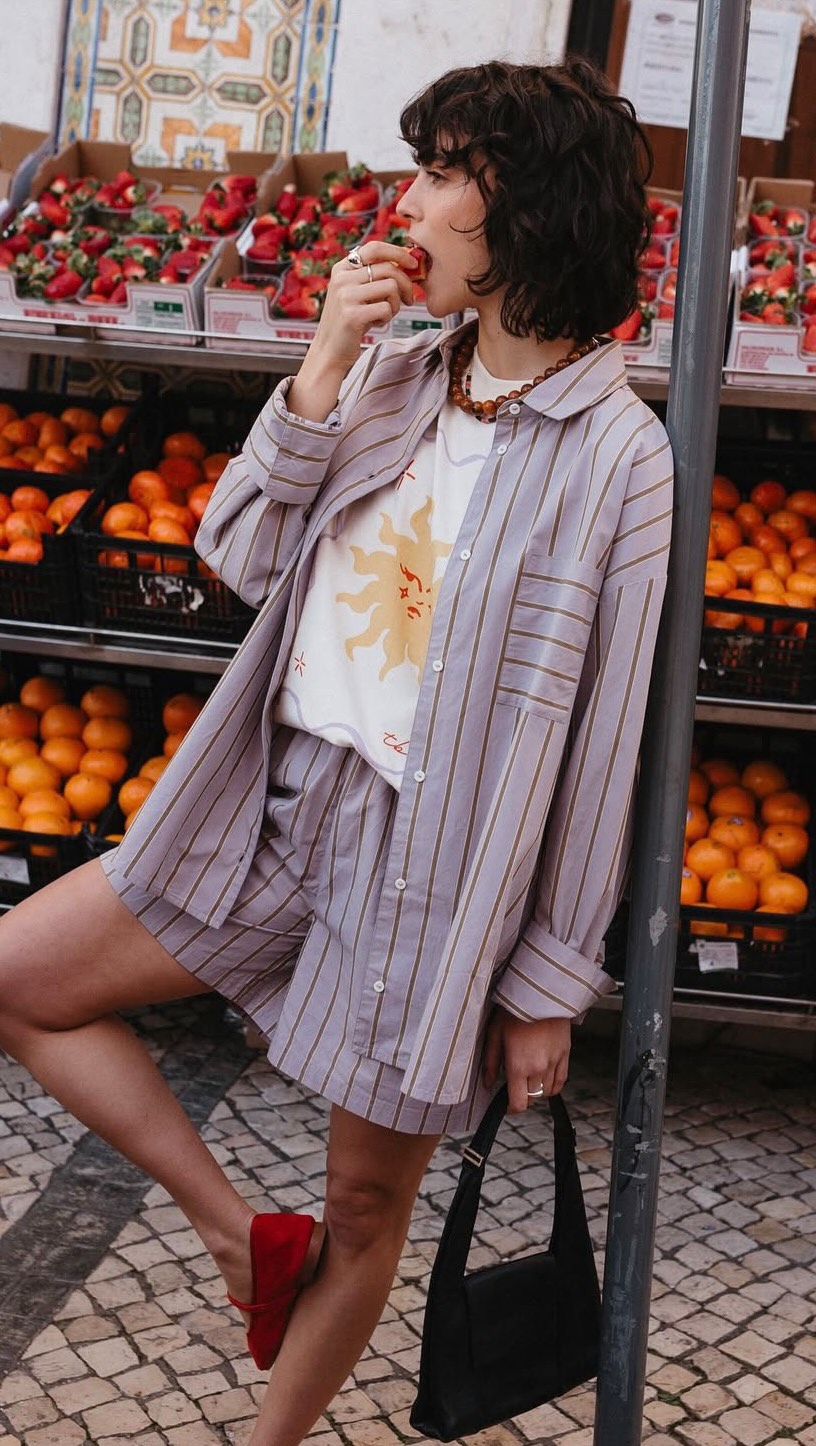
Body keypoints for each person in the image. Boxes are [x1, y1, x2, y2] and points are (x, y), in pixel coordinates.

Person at [0, 56, 672, 1446]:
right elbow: (238, 553)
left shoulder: (621, 459)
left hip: (434, 869)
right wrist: (317, 370)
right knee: (20, 979)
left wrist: (547, 983)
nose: (405, 202)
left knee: (367, 1201)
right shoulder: (397, 375)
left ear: (529, 212)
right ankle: (240, 1232)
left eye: (444, 174)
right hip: (274, 805)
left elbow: (604, 743)